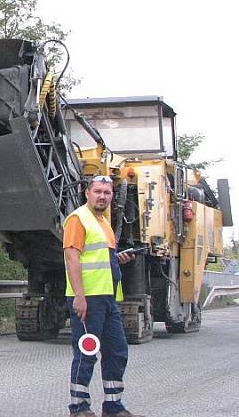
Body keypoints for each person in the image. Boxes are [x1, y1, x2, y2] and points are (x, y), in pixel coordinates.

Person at [63, 174, 143, 417]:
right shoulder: (78, 219)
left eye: (107, 193)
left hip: (108, 298)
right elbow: (72, 257)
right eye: (97, 191)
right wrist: (79, 296)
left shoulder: (103, 223)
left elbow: (95, 258)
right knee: (87, 351)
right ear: (87, 193)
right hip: (88, 298)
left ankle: (113, 406)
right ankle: (79, 407)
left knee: (117, 351)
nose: (102, 196)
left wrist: (117, 259)